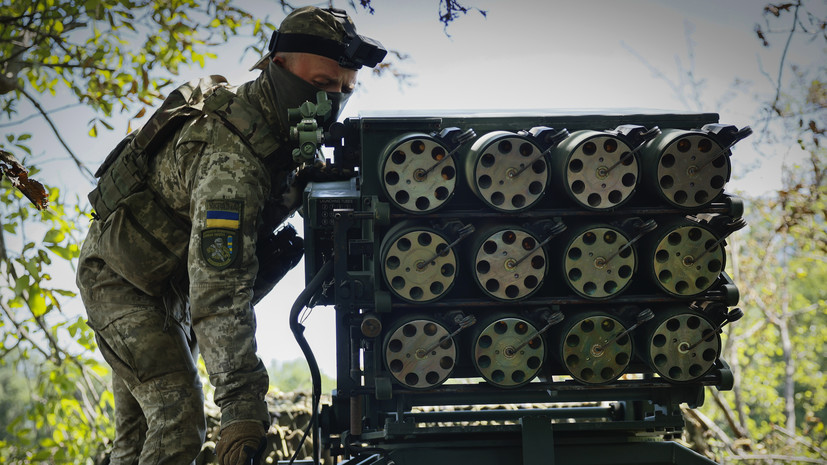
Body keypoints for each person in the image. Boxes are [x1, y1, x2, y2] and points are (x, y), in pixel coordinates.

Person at [76, 7, 385, 465]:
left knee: (140, 437)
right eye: (321, 84)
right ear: (279, 66)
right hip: (123, 285)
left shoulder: (274, 130)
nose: (332, 102)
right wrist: (242, 407)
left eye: (344, 90)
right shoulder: (231, 157)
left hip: (163, 283)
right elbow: (219, 292)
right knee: (178, 419)